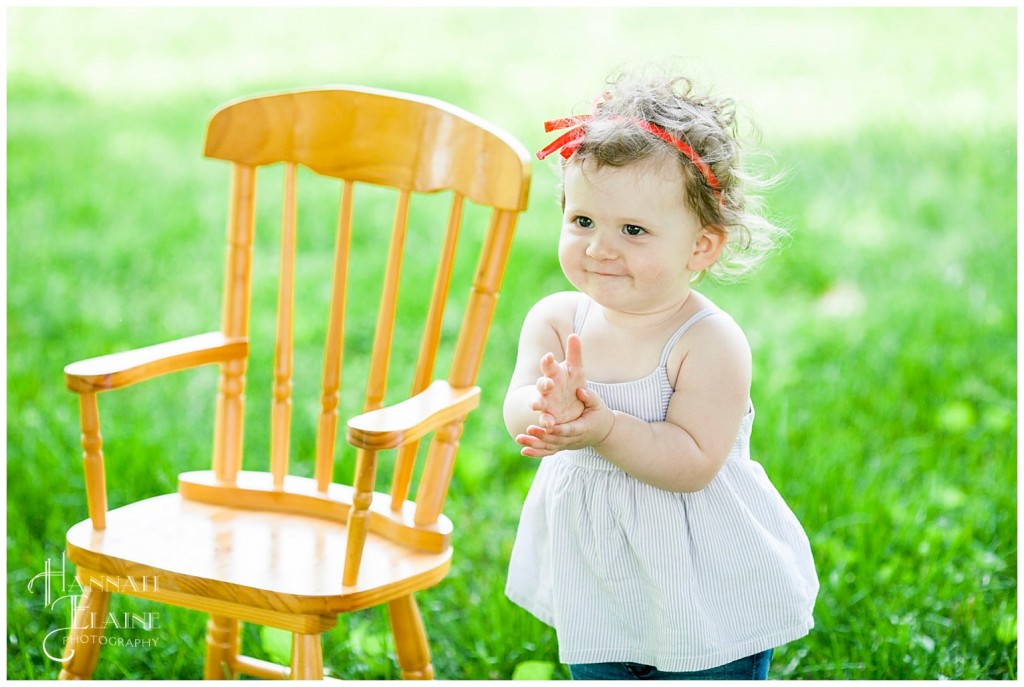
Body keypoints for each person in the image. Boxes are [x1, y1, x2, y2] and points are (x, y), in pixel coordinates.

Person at [503, 68, 819, 680]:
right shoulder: (556, 319)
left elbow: (691, 463)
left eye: (634, 231)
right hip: (599, 576)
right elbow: (517, 406)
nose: (599, 248)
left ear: (700, 247)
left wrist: (601, 429)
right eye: (583, 222)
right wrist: (546, 410)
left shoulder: (706, 341)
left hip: (705, 578)